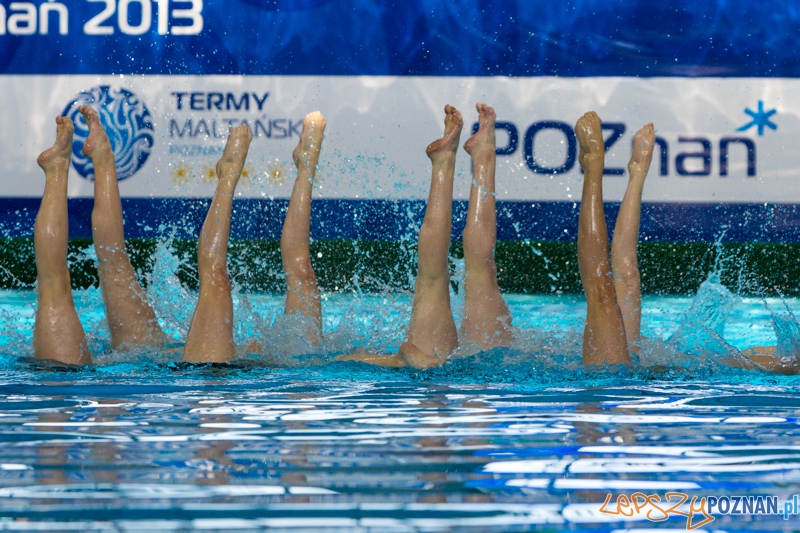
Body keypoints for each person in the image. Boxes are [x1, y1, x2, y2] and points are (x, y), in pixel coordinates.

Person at [339, 103, 514, 369]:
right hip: (476, 371)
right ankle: (481, 155)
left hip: (431, 366)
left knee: (434, 279)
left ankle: (454, 162)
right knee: (482, 273)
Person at [185, 111, 326, 362]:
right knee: (301, 278)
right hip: (248, 378)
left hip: (210, 375)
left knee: (216, 281)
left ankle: (304, 163)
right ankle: (302, 166)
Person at [34, 107, 167, 365]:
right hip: (149, 368)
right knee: (114, 264)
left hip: (87, 371)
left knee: (66, 279)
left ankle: (76, 162)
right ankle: (94, 158)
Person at [574, 111, 655, 365]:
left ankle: (592, 164)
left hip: (606, 384)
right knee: (628, 276)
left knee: (602, 292)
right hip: (636, 379)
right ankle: (638, 173)